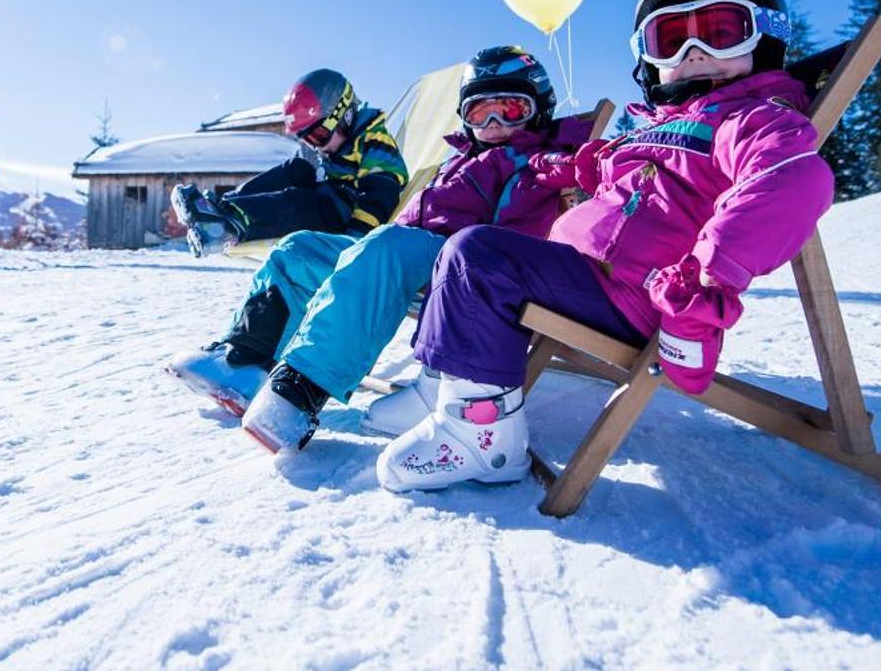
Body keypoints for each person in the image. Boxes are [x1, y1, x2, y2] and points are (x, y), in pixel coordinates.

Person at [376, 0, 836, 493]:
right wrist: (558, 166)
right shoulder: (656, 126)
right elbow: (596, 166)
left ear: (766, 38)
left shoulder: (754, 119)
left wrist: (703, 286)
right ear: (648, 59)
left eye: (719, 30)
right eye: (671, 39)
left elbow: (790, 181)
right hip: (586, 273)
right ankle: (448, 392)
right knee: (475, 255)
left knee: (475, 255)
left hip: (638, 293)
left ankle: (484, 440)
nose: (694, 53)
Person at [167, 48, 597, 450]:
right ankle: (246, 361)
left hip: (467, 266)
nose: (494, 125)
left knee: (386, 247)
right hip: (410, 251)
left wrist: (577, 165)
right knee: (299, 249)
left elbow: (566, 193)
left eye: (512, 110)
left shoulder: (542, 159)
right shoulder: (464, 159)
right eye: (480, 114)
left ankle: (300, 393)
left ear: (541, 107)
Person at [170, 68, 407, 257]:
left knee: (298, 200)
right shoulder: (330, 148)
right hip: (328, 200)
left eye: (318, 136)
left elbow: (380, 193)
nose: (316, 145)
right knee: (296, 169)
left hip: (347, 218)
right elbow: (300, 169)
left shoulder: (373, 139)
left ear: (344, 115)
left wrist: (353, 240)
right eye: (306, 138)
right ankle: (221, 209)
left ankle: (232, 222)